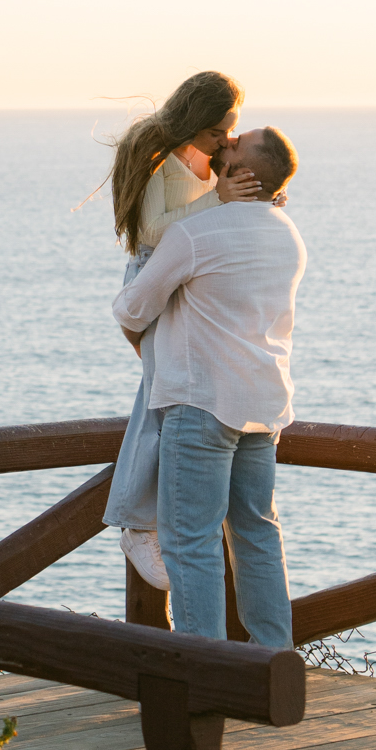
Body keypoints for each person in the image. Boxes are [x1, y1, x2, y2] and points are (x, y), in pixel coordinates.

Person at [112, 126, 304, 646]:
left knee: (190, 542)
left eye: (237, 143)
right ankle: (272, 663)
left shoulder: (195, 234)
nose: (227, 140)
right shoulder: (288, 233)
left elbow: (131, 307)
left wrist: (150, 342)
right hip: (263, 407)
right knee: (257, 536)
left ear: (243, 172)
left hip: (201, 404)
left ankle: (205, 677)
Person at [103, 71, 261, 590]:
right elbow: (151, 229)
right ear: (195, 119)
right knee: (158, 395)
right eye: (218, 130)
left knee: (165, 394)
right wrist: (220, 200)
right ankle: (135, 523)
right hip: (155, 276)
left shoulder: (199, 152)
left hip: (183, 275)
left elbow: (210, 211)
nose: (226, 140)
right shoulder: (155, 149)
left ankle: (152, 521)